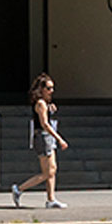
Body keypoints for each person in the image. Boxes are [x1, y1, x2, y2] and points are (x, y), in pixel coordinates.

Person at [12, 74, 67, 208]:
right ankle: (19, 189)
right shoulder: (41, 103)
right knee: (48, 172)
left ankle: (51, 199)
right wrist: (59, 138)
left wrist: (51, 109)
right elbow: (45, 124)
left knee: (52, 169)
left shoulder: (45, 104)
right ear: (41, 89)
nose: (51, 91)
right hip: (43, 137)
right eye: (48, 88)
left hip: (47, 137)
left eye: (52, 88)